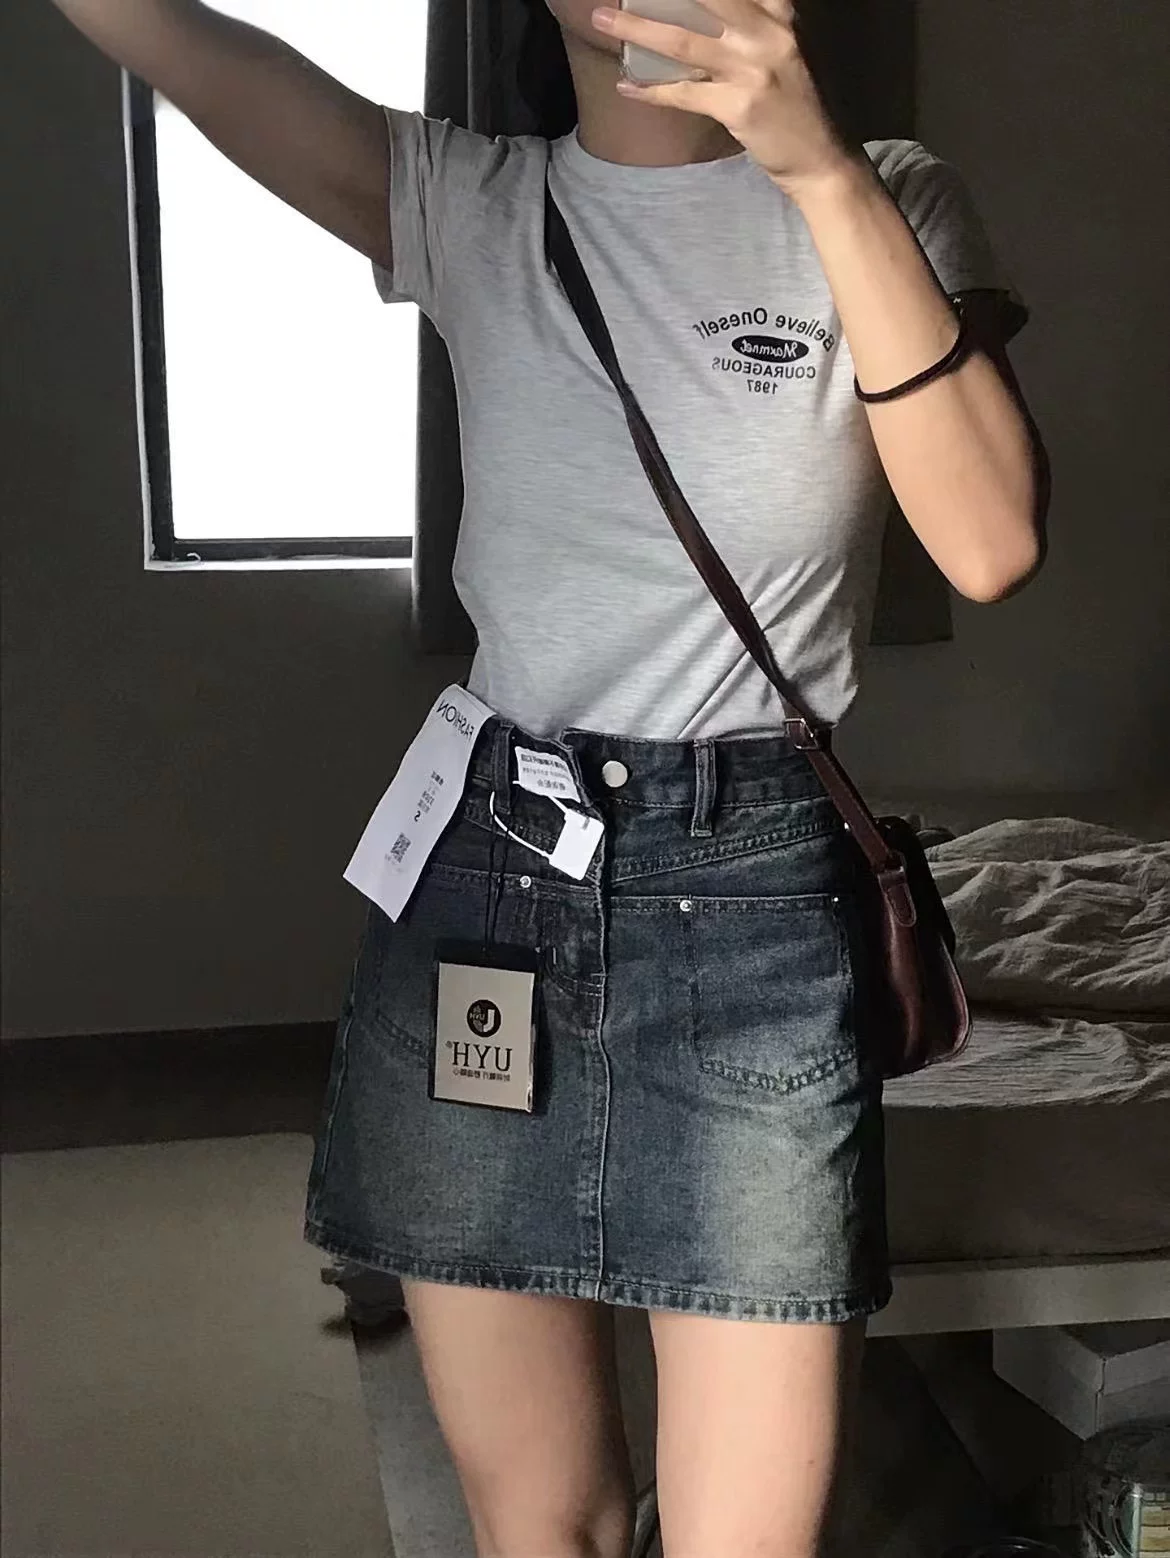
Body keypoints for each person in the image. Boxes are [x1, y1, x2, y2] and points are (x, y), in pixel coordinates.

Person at [47, 1, 1049, 1554]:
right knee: (537, 1530)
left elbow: (987, 545)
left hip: (750, 902)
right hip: (483, 889)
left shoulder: (887, 192)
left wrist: (818, 173)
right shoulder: (464, 200)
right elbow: (169, 38)